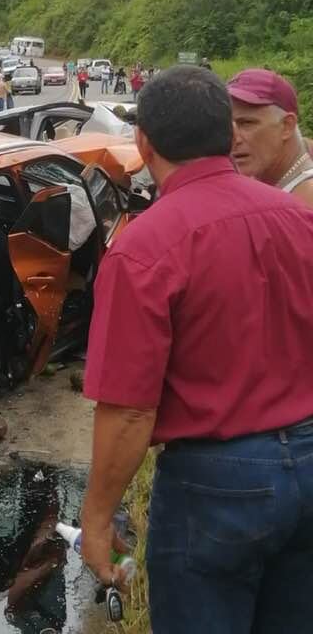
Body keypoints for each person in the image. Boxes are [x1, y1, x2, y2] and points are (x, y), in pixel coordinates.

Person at [80, 65, 313, 633]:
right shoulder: (300, 220)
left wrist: (97, 518)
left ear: (144, 143)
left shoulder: (144, 248)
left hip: (216, 487)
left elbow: (130, 411)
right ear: (228, 135)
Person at [227, 68, 313, 206]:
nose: (233, 138)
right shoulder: (264, 182)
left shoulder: (306, 199)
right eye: (226, 125)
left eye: (246, 123)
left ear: (287, 126)